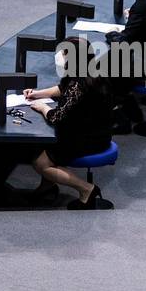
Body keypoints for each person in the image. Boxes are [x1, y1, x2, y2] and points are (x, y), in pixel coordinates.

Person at [22, 34, 114, 209]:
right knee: (43, 145)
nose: (60, 55)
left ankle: (86, 189)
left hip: (88, 139)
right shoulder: (91, 70)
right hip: (97, 131)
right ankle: (47, 186)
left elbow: (57, 117)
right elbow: (63, 89)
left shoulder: (79, 84)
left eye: (64, 52)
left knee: (40, 163)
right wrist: (37, 93)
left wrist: (42, 107)